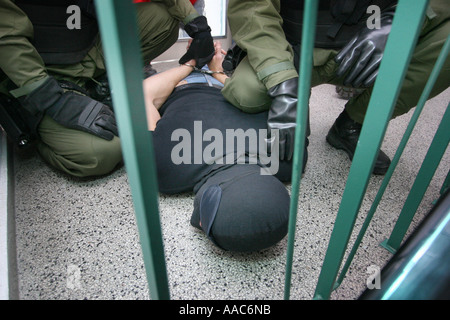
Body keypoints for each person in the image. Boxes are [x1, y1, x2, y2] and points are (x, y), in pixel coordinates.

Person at [223, 0, 450, 175]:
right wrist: (281, 82)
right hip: (293, 47)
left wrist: (399, 22)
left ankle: (352, 124)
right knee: (248, 92)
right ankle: (289, 99)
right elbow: (252, 8)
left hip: (370, 50)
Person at [0, 0, 214, 178]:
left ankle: (96, 88)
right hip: (38, 73)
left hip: (86, 49)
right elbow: (7, 37)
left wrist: (196, 24)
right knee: (102, 153)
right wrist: (54, 101)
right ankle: (38, 128)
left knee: (162, 19)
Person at [143, 42, 307, 252]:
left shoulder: (291, 158)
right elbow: (144, 97)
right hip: (194, 84)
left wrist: (195, 65)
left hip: (225, 85)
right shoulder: (165, 169)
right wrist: (196, 68)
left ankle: (203, 55)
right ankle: (205, 56)